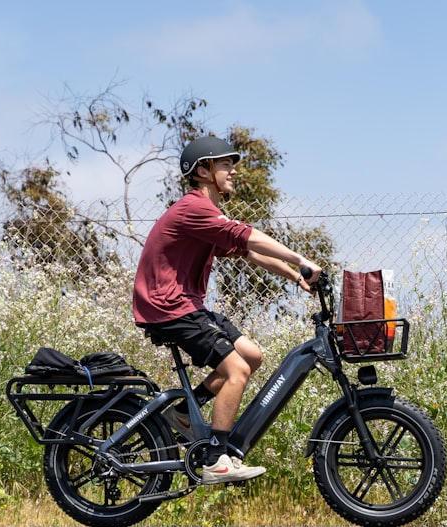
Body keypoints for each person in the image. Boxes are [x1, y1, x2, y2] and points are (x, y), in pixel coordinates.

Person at [132, 135, 322, 484]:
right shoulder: (194, 207)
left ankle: (184, 417)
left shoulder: (206, 213)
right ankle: (217, 458)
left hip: (184, 304)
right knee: (236, 370)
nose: (233, 171)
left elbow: (247, 252)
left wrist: (296, 276)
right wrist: (300, 257)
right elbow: (248, 236)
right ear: (202, 170)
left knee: (250, 355)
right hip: (169, 306)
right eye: (224, 164)